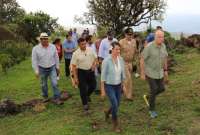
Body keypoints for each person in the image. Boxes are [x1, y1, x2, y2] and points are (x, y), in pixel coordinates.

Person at [140, 30, 168, 118]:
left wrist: (166, 70)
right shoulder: (149, 47)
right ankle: (152, 110)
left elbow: (165, 58)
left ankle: (148, 97)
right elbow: (142, 59)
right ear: (155, 37)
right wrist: (142, 73)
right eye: (159, 37)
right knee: (154, 89)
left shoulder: (163, 46)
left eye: (162, 37)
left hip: (159, 72)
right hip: (150, 72)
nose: (161, 39)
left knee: (162, 88)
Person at [32, 33, 63, 105]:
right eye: (43, 39)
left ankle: (57, 98)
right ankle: (45, 97)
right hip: (42, 68)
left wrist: (57, 67)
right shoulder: (35, 49)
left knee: (55, 83)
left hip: (52, 67)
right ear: (40, 40)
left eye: (46, 39)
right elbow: (34, 60)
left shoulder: (52, 47)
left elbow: (56, 57)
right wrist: (36, 71)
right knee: (43, 85)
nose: (45, 41)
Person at [101, 41, 125, 133]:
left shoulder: (121, 59)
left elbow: (122, 73)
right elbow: (103, 76)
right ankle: (115, 123)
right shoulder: (106, 61)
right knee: (115, 104)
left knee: (117, 104)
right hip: (109, 85)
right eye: (116, 49)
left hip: (118, 85)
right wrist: (103, 90)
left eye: (119, 49)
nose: (118, 51)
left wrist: (123, 85)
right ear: (112, 49)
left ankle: (107, 112)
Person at [71, 37, 97, 114]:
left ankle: (87, 95)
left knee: (93, 86)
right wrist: (75, 78)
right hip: (81, 72)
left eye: (85, 43)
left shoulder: (91, 50)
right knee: (82, 89)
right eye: (82, 44)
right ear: (79, 45)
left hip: (90, 71)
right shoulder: (75, 53)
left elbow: (96, 59)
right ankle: (85, 104)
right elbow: (74, 66)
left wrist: (94, 65)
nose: (84, 45)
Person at [119, 27, 137, 101]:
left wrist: (135, 62)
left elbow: (135, 52)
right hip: (123, 62)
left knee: (126, 79)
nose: (130, 36)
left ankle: (121, 89)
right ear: (125, 34)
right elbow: (118, 53)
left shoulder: (134, 41)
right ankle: (128, 96)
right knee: (128, 78)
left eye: (131, 34)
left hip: (130, 63)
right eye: (128, 34)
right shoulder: (121, 42)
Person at [98, 30, 118, 97]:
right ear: (107, 35)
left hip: (114, 59)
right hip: (105, 60)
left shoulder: (115, 40)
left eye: (112, 35)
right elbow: (100, 51)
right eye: (110, 35)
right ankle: (104, 90)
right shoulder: (103, 41)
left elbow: (118, 50)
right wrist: (100, 60)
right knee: (104, 76)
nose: (111, 37)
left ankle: (113, 88)